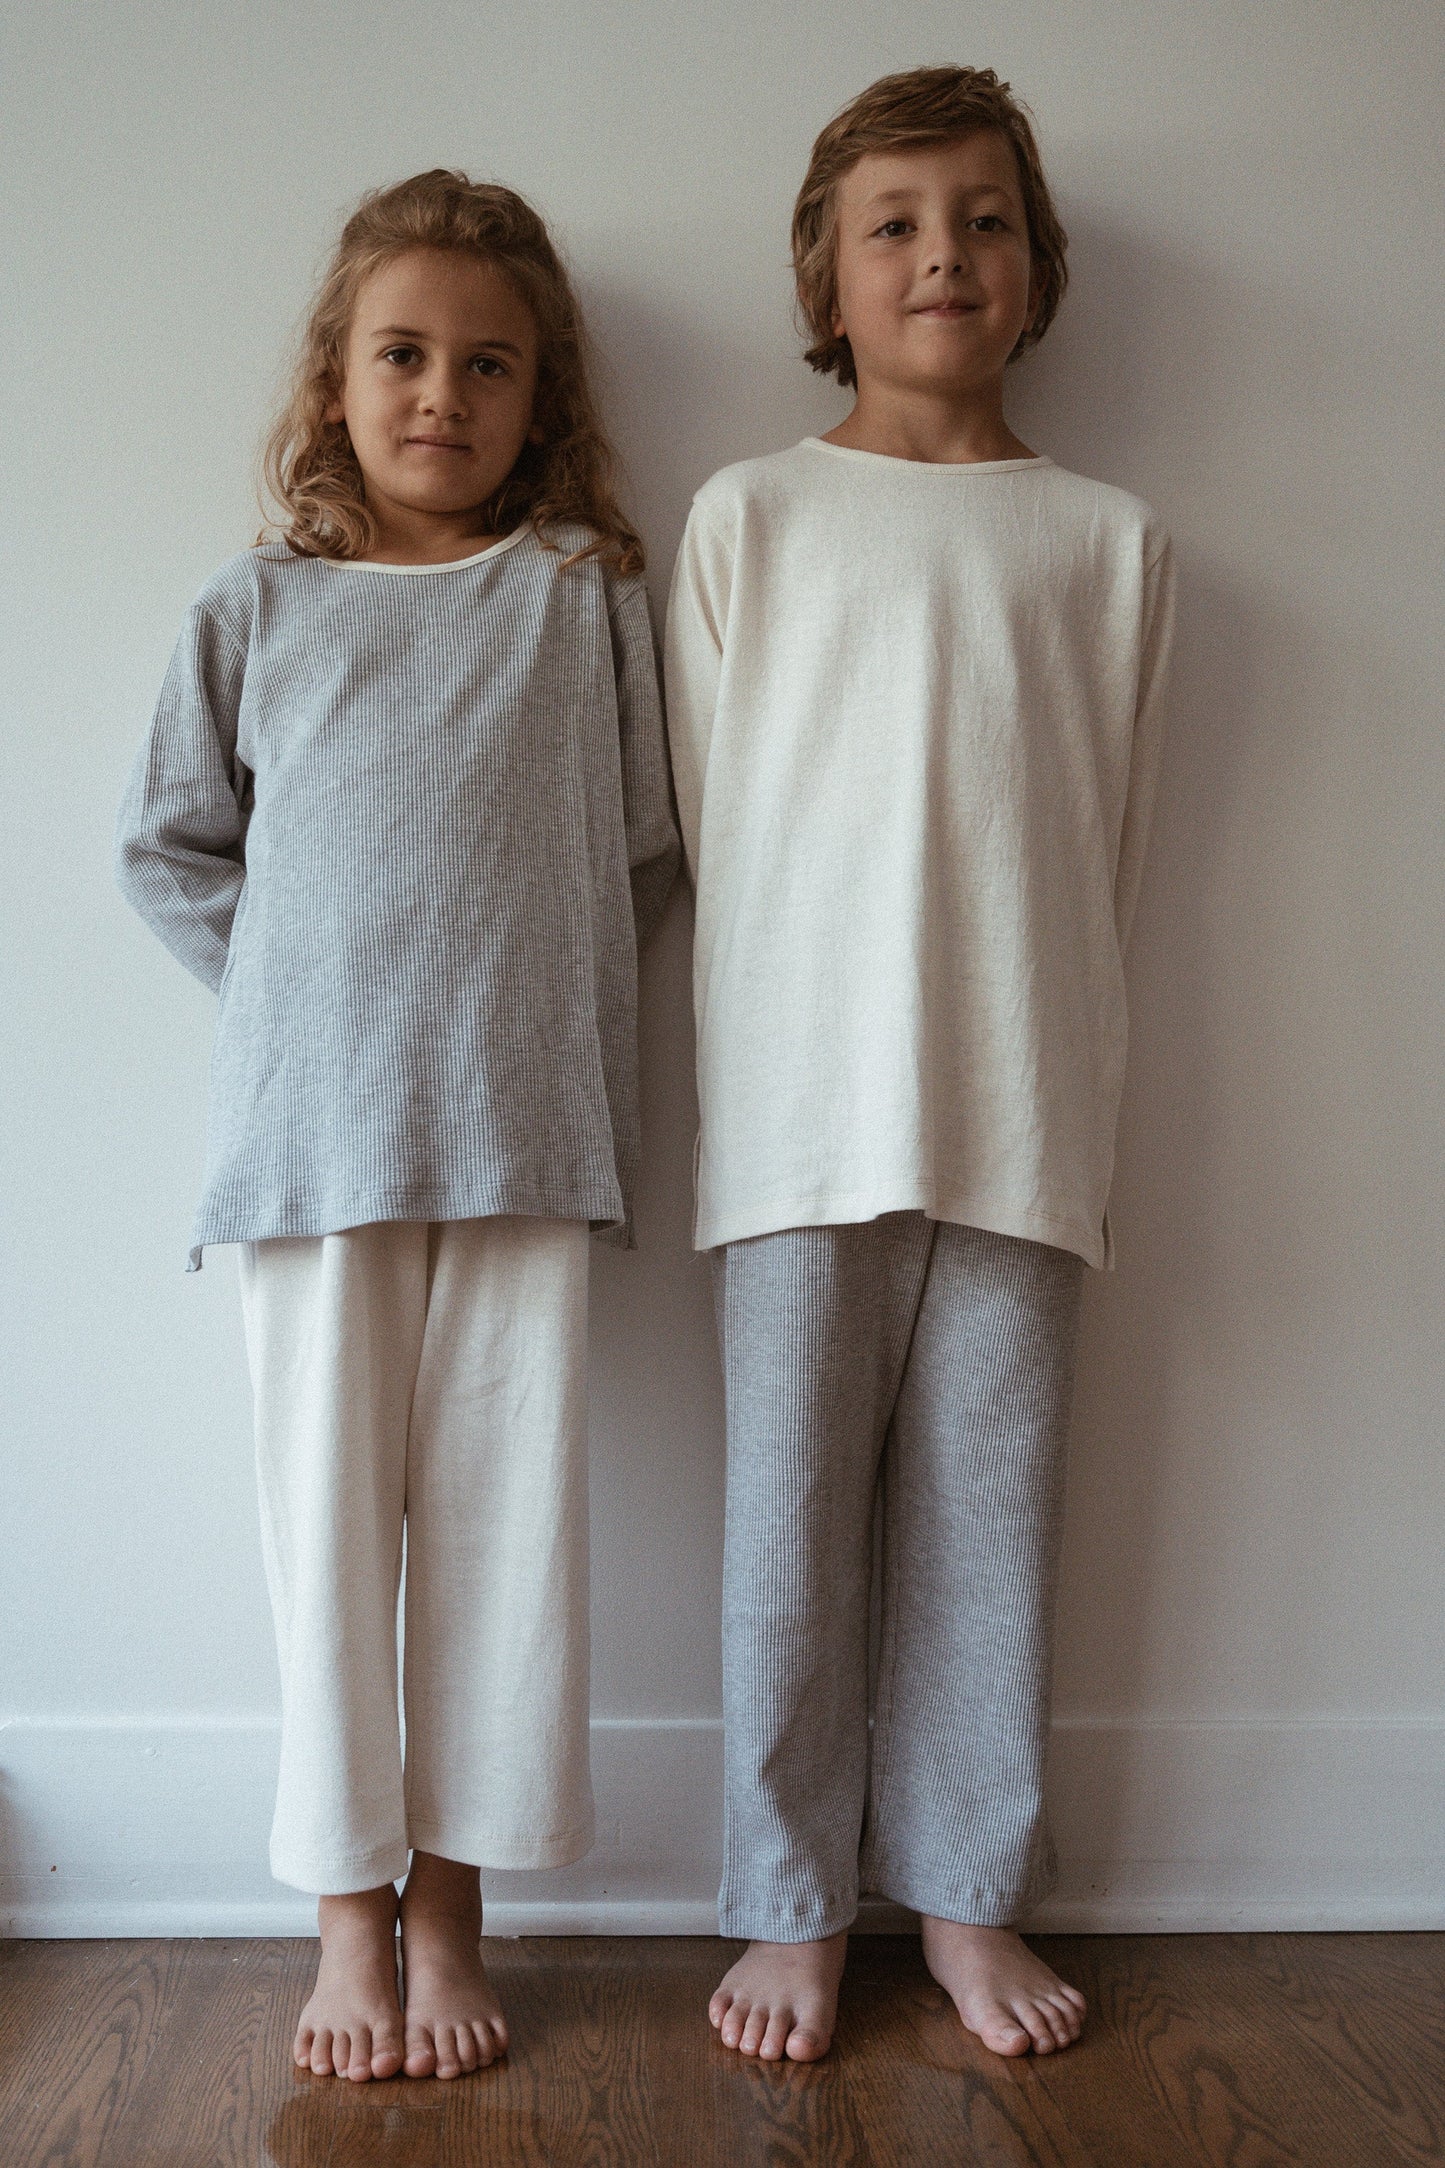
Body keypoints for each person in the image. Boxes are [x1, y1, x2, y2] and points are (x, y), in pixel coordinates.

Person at [116, 169, 678, 2084]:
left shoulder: (579, 595)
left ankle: (452, 1908)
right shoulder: (252, 605)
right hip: (309, 1159)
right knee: (333, 1545)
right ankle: (346, 1913)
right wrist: (296, 1007)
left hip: (525, 1141)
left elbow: (643, 856)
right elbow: (170, 849)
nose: (443, 391)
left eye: (489, 363)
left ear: (543, 398)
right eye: (404, 353)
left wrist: (527, 1018)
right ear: (337, 378)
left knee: (505, 1552)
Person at [665, 66, 1175, 2063]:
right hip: (800, 1101)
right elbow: (718, 816)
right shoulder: (753, 517)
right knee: (786, 1529)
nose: (941, 253)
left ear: (1038, 268)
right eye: (895, 221)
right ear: (827, 269)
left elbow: (1104, 818)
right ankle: (788, 1899)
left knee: (993, 1515)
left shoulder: (1112, 541)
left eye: (980, 220)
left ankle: (967, 1894)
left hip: (1028, 1099)